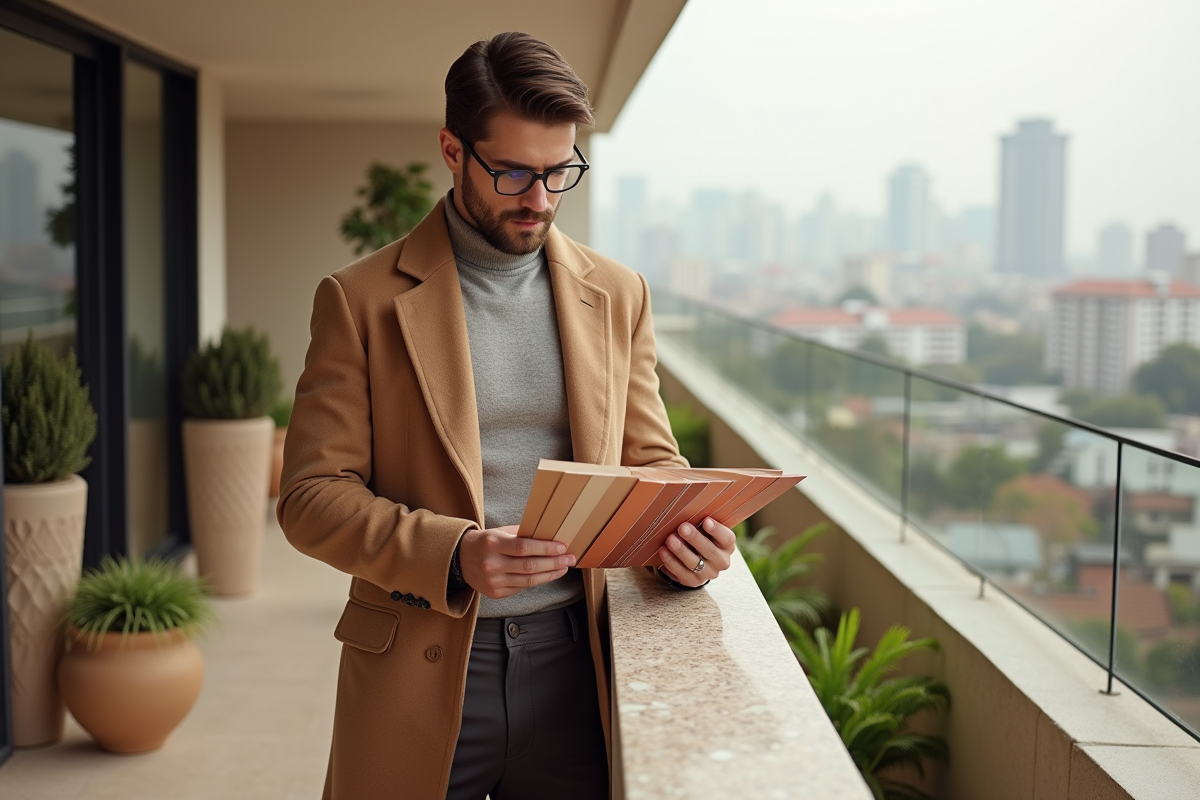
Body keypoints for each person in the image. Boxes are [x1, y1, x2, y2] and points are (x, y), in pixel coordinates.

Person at [277, 31, 738, 800]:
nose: (541, 200)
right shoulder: (358, 299)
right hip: (420, 658)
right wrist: (455, 553)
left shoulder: (619, 294)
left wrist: (686, 539)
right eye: (515, 172)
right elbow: (309, 499)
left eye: (562, 172)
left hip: (578, 660)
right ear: (453, 152)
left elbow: (653, 464)